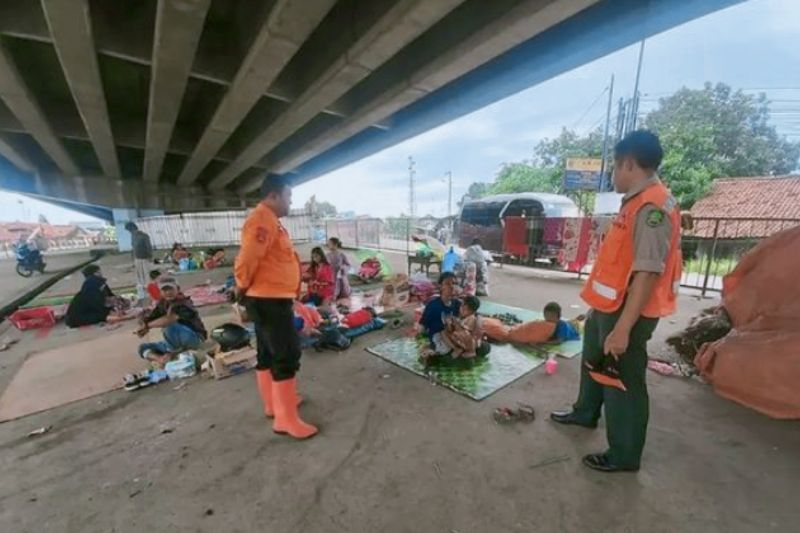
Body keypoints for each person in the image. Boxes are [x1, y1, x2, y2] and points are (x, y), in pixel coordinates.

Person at [550, 130, 682, 473]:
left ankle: (624, 454)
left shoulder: (652, 206)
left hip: (629, 312)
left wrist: (623, 329)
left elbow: (647, 273)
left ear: (629, 164)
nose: (613, 174)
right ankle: (585, 413)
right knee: (593, 357)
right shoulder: (636, 201)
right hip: (608, 306)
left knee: (621, 379)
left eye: (615, 167)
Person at [236, 177, 317, 440]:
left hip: (270, 297)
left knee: (267, 353)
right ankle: (286, 419)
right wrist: (241, 284)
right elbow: (248, 257)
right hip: (268, 299)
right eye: (288, 196)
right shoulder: (262, 220)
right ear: (273, 196)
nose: (290, 201)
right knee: (286, 354)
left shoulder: (271, 221)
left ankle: (275, 405)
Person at [136, 277, 208, 367]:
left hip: (194, 338)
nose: (168, 292)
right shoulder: (162, 303)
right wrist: (142, 324)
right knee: (143, 348)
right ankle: (161, 359)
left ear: (177, 289)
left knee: (169, 326)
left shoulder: (183, 302)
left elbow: (169, 320)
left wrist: (148, 326)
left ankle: (172, 353)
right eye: (164, 290)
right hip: (174, 343)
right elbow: (149, 317)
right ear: (160, 292)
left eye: (170, 289)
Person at [419, 272, 461, 353]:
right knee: (447, 350)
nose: (452, 286)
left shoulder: (458, 304)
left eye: (454, 283)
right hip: (439, 340)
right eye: (447, 283)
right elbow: (422, 328)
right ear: (440, 286)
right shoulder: (433, 306)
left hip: (453, 336)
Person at [440, 295, 484, 359]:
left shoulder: (471, 318)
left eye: (465, 309)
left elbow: (463, 332)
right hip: (461, 340)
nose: (462, 310)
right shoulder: (463, 315)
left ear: (472, 311)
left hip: (469, 343)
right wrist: (449, 324)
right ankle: (457, 349)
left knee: (444, 332)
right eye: (461, 307)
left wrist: (454, 322)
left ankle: (470, 351)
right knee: (443, 332)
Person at [125, 222, 153, 302]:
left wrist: (150, 256)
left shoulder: (144, 236)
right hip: (137, 258)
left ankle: (149, 290)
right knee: (139, 275)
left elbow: (149, 247)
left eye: (130, 230)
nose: (130, 232)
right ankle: (142, 291)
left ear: (134, 229)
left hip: (145, 258)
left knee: (147, 274)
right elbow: (133, 248)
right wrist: (133, 259)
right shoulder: (133, 236)